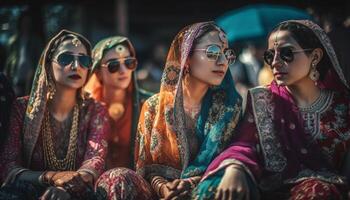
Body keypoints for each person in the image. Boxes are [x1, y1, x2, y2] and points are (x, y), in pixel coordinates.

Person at [194, 20, 350, 200]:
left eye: (286, 53)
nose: (275, 62)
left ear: (315, 57)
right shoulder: (263, 100)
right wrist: (235, 168)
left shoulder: (343, 106)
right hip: (266, 190)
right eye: (269, 55)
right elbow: (245, 144)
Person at [95, 21, 242, 200]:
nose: (222, 62)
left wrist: (188, 184)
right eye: (212, 52)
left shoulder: (229, 107)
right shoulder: (154, 107)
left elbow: (229, 162)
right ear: (186, 57)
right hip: (159, 193)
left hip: (205, 190)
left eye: (227, 54)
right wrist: (164, 188)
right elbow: (146, 169)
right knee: (117, 177)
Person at [0, 30, 109, 200]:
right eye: (66, 58)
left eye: (83, 60)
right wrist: (51, 177)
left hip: (78, 191)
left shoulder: (95, 110)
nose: (76, 66)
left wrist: (68, 188)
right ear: (48, 64)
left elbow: (95, 160)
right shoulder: (23, 108)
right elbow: (8, 166)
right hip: (33, 190)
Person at [85, 36, 152, 169]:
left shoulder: (148, 104)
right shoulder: (86, 107)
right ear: (97, 73)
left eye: (129, 63)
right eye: (113, 65)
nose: (123, 70)